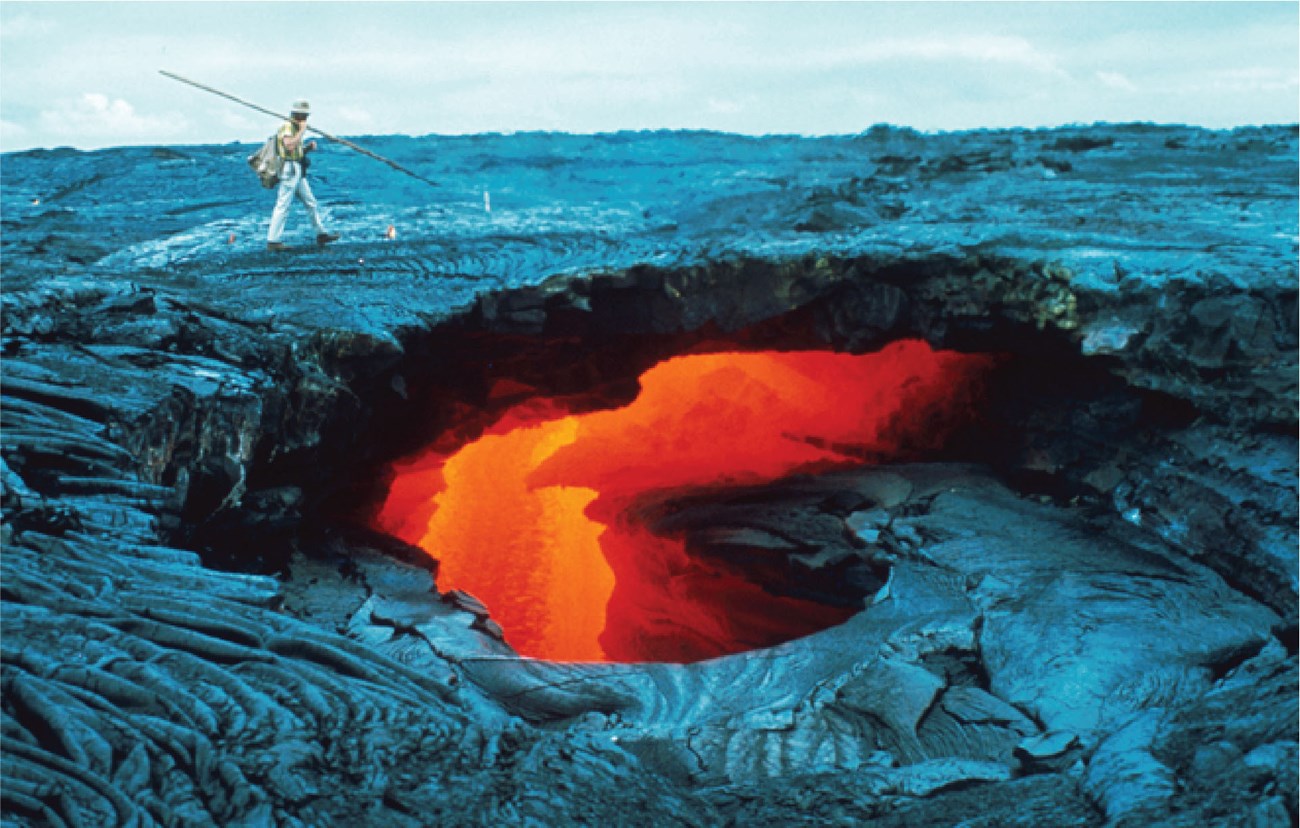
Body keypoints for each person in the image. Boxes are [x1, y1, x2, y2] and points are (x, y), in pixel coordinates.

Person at [266, 99, 340, 251]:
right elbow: (289, 145)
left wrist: (307, 148)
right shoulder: (288, 127)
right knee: (283, 204)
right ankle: (273, 241)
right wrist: (302, 131)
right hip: (289, 170)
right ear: (298, 115)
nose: (306, 119)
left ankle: (321, 234)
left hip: (297, 169)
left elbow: (294, 151)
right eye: (304, 116)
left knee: (311, 202)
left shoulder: (294, 127)